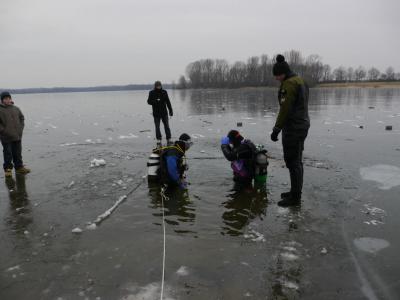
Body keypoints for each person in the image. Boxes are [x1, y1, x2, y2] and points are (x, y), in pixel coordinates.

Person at [270, 55, 310, 207]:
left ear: (283, 73)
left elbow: (285, 109)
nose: (276, 78)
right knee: (297, 161)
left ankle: (295, 198)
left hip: (293, 128)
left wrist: (276, 129)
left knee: (292, 162)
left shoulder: (289, 84)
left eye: (277, 75)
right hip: (303, 124)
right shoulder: (301, 81)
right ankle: (295, 192)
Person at [0, 91, 30, 177]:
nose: (8, 100)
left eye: (9, 98)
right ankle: (8, 170)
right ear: (2, 100)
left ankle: (19, 167)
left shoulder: (16, 108)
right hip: (6, 137)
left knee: (17, 152)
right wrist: (4, 131)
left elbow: (22, 118)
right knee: (8, 153)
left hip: (17, 135)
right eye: (5, 98)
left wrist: (20, 129)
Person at [147, 81, 173, 146]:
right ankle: (159, 139)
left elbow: (168, 102)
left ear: (161, 86)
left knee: (167, 126)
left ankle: (169, 138)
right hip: (156, 114)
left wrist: (170, 110)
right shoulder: (152, 93)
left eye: (159, 86)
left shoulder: (164, 92)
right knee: (157, 127)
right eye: (157, 86)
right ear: (155, 86)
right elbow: (149, 101)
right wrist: (155, 101)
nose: (159, 87)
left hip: (164, 113)